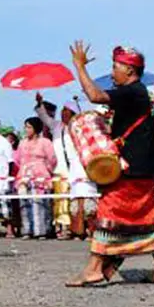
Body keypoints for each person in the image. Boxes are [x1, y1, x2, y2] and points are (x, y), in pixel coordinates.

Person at [66, 42, 154, 287]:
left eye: (115, 67)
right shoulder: (137, 94)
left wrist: (79, 67)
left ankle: (94, 268)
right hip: (144, 168)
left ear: (129, 71)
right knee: (146, 217)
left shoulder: (132, 91)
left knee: (109, 213)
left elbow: (94, 96)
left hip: (131, 169)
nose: (112, 73)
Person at [50, 101, 96, 239]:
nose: (63, 113)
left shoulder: (82, 128)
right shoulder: (58, 127)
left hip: (85, 166)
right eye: (62, 110)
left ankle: (91, 231)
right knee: (75, 203)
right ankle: (78, 231)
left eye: (66, 110)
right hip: (72, 169)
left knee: (89, 203)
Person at [15, 117, 57, 239]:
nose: (26, 130)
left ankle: (42, 231)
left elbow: (52, 159)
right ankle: (27, 230)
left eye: (29, 127)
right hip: (24, 175)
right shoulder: (22, 142)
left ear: (36, 128)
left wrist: (44, 170)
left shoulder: (45, 142)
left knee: (40, 203)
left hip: (40, 176)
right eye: (25, 127)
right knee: (24, 203)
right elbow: (17, 160)